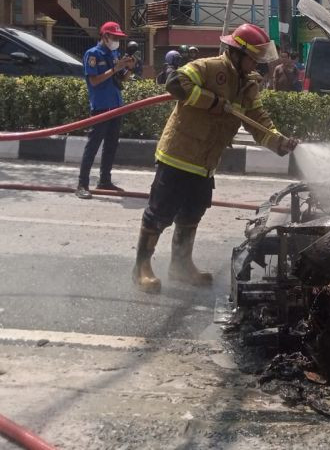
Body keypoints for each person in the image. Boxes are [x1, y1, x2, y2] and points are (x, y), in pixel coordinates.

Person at [132, 23, 300, 293]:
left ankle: (181, 265)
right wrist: (212, 101)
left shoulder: (249, 85)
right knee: (159, 214)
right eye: (252, 58)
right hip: (178, 155)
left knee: (192, 213)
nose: (256, 64)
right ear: (236, 53)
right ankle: (141, 268)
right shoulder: (209, 67)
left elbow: (258, 121)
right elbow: (175, 83)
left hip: (205, 163)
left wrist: (279, 141)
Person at [76, 21, 135, 199]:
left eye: (119, 37)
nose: (117, 40)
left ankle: (105, 180)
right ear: (104, 36)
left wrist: (129, 70)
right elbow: (94, 81)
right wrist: (114, 68)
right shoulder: (92, 54)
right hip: (101, 106)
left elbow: (121, 80)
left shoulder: (115, 53)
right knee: (93, 146)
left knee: (111, 145)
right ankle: (82, 184)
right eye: (114, 37)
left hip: (116, 105)